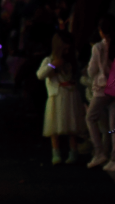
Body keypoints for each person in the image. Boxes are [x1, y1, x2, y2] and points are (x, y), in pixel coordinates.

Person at [37, 31, 86, 165]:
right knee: (55, 125)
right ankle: (56, 152)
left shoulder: (72, 60)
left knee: (72, 125)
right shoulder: (49, 60)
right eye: (64, 48)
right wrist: (54, 65)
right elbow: (40, 75)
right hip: (56, 96)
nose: (67, 50)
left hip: (70, 94)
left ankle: (73, 151)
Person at [86, 15, 115, 169]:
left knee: (90, 118)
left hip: (103, 89)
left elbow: (91, 71)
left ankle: (99, 153)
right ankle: (113, 158)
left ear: (102, 31)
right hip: (114, 88)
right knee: (113, 124)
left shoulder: (98, 47)